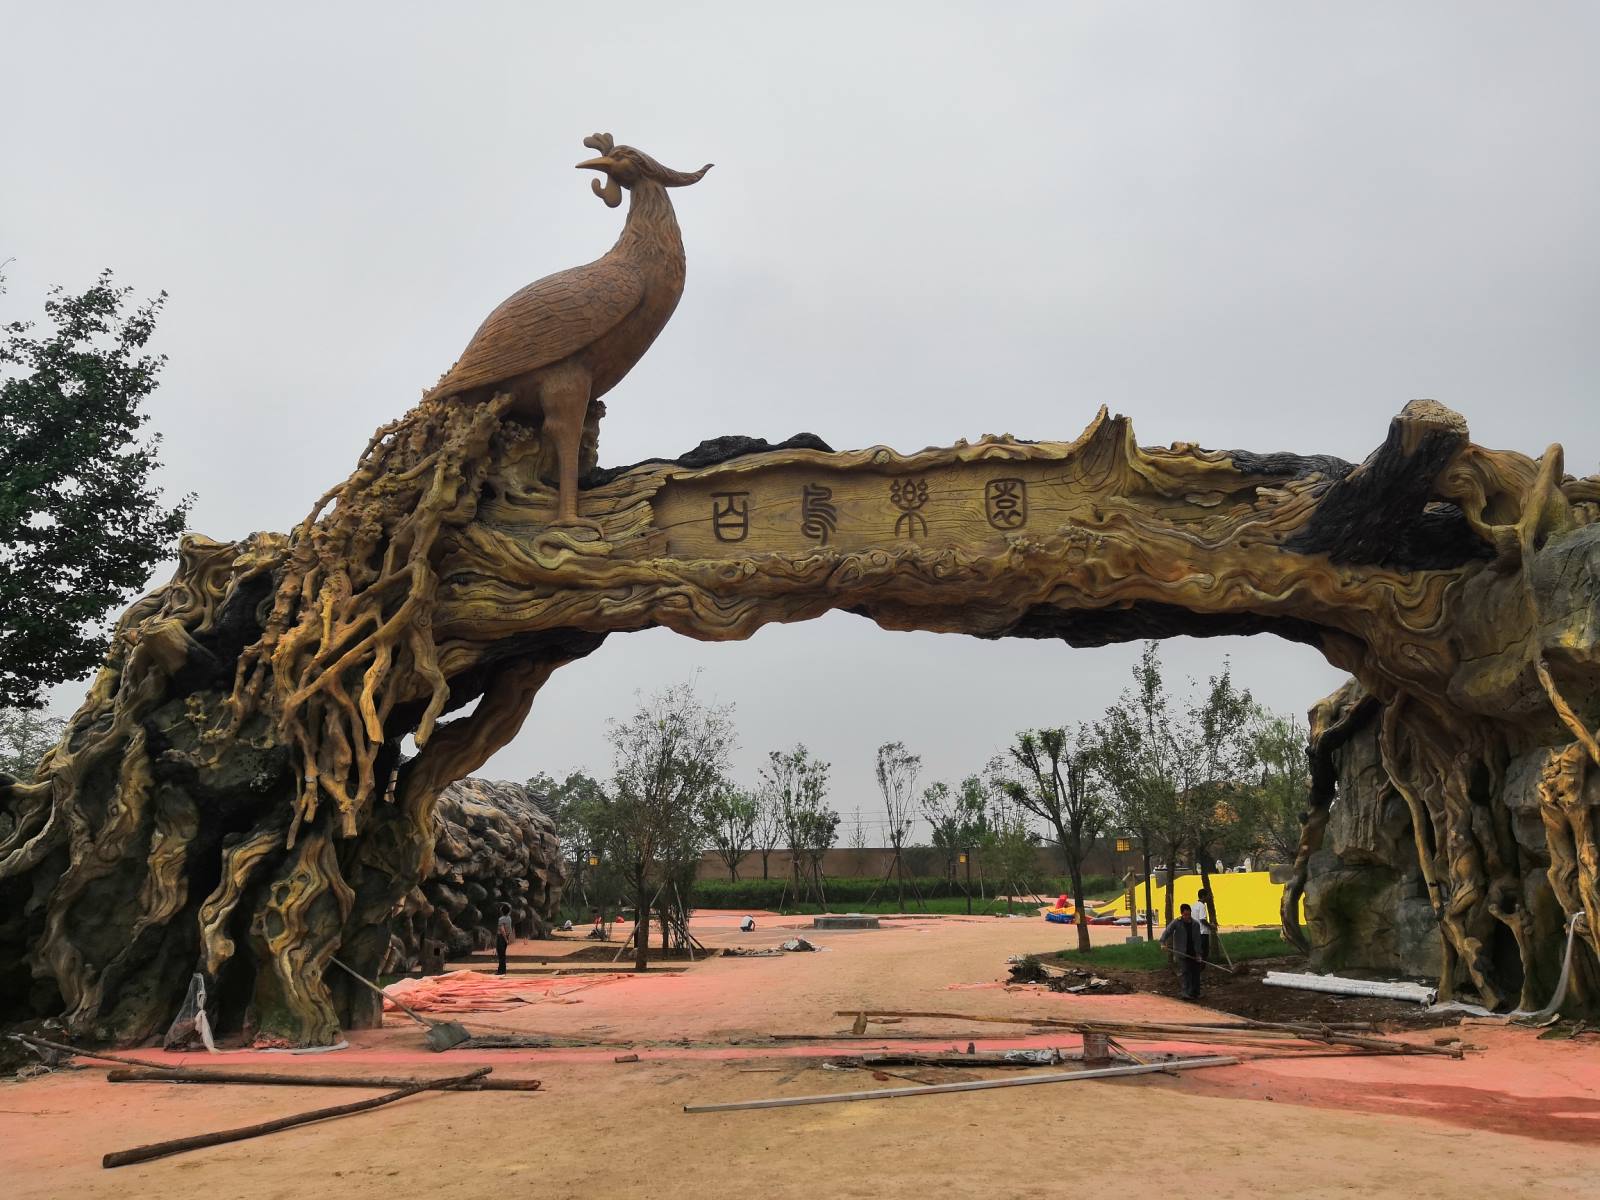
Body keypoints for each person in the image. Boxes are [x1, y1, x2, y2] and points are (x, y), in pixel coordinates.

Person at [1159, 902, 1204, 1000]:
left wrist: (1199, 953)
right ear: (1182, 914)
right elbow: (1167, 932)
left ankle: (1195, 992)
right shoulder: (1176, 922)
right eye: (1185, 915)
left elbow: (1197, 940)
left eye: (1189, 914)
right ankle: (1185, 993)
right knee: (1185, 973)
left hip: (1193, 952)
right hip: (1182, 952)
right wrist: (1162, 943)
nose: (1187, 917)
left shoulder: (1195, 924)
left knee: (1195, 973)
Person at [1193, 888, 1213, 963]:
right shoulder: (1202, 906)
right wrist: (1211, 926)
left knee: (1198, 954)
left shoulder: (1194, 906)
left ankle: (1196, 972)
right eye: (1208, 896)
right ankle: (1199, 971)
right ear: (1203, 896)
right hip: (1202, 934)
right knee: (1204, 954)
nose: (1209, 897)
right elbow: (1202, 920)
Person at [495, 902, 514, 975]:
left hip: (501, 937)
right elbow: (509, 929)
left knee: (501, 955)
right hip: (506, 937)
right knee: (503, 955)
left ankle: (501, 971)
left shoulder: (501, 919)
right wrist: (508, 938)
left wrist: (505, 939)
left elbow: (502, 930)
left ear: (502, 911)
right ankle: (503, 970)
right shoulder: (509, 918)